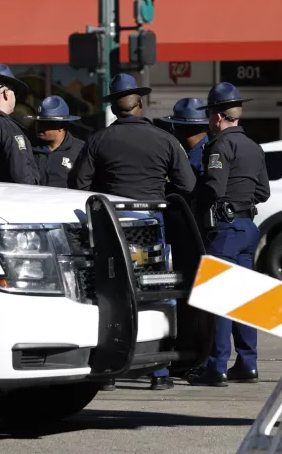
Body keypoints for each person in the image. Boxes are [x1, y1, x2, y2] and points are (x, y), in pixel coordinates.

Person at [69, 73, 196, 392]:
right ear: (140, 103)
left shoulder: (98, 140)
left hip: (113, 228)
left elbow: (77, 185)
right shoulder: (165, 140)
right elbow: (189, 186)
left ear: (114, 107)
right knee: (158, 291)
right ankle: (159, 370)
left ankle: (110, 370)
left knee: (113, 293)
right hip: (152, 227)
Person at [187, 83, 270, 387]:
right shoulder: (254, 146)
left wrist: (196, 199)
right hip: (248, 227)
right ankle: (247, 363)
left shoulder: (219, 145)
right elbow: (263, 192)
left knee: (221, 298)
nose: (209, 120)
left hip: (225, 230)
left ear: (219, 115)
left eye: (209, 114)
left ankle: (216, 367)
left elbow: (213, 188)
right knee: (244, 299)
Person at [28, 96, 85, 188]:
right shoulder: (28, 148)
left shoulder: (81, 151)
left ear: (61, 126)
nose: (39, 127)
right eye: (37, 122)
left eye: (45, 123)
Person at [158, 98, 209, 179]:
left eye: (175, 126)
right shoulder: (194, 151)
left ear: (185, 128)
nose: (173, 131)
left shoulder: (205, 155)